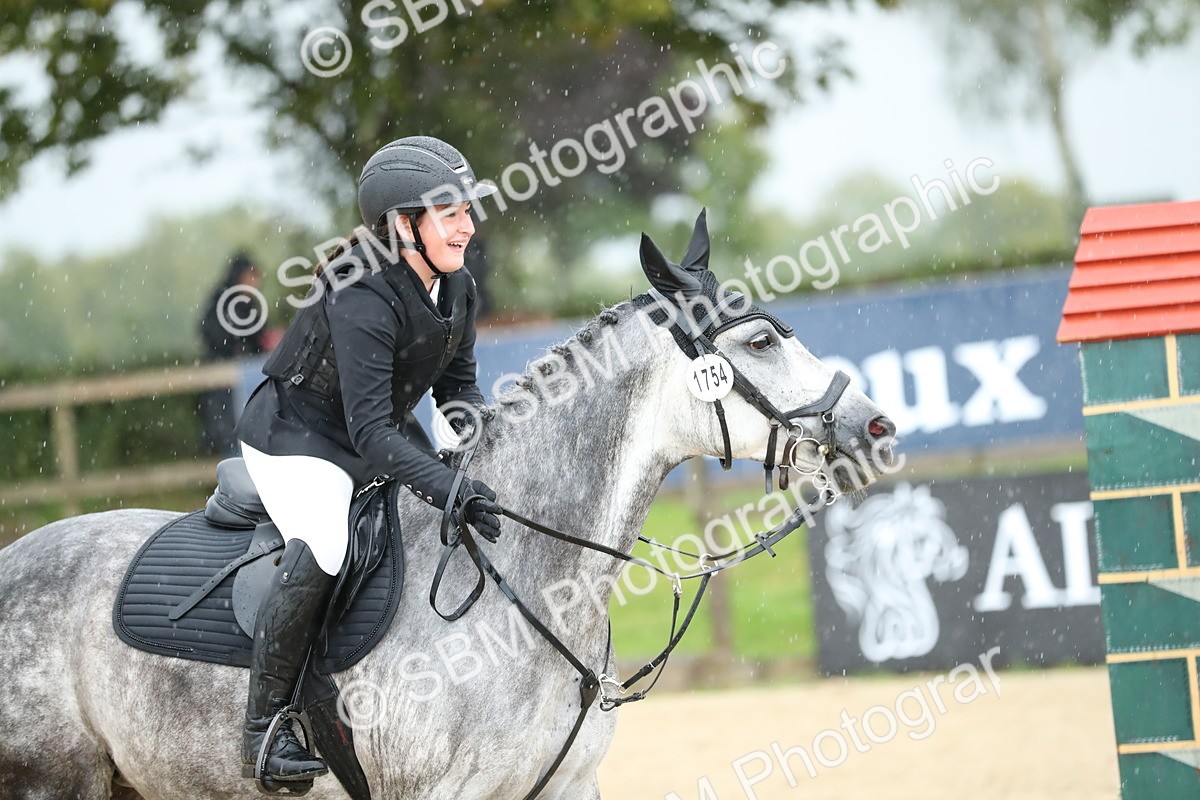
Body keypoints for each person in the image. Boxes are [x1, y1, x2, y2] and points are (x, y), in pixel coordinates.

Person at [232, 136, 503, 791]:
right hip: (296, 441)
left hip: (368, 436)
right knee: (326, 540)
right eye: (448, 212)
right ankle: (262, 732)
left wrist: (469, 449)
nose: (467, 223)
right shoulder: (359, 293)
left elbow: (458, 386)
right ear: (404, 225)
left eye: (467, 209)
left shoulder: (455, 286)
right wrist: (447, 485)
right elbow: (373, 431)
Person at [198, 251, 267, 455]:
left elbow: (255, 338)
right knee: (230, 435)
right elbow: (212, 333)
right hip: (224, 385)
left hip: (238, 381)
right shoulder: (225, 301)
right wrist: (236, 348)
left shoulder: (244, 304)